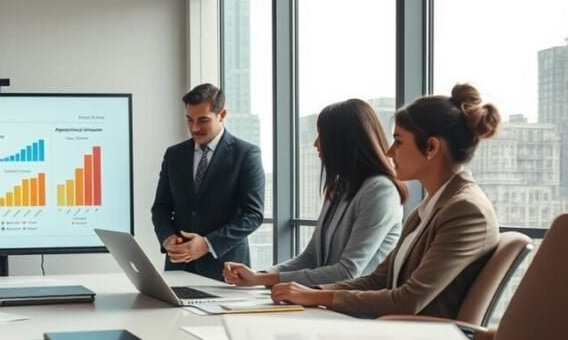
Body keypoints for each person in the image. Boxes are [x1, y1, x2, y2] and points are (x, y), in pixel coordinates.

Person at [271, 84, 501, 319]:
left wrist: (315, 297)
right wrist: (311, 292)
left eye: (399, 141)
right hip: (399, 330)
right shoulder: (432, 207)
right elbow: (380, 279)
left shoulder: (466, 211)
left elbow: (408, 300)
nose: (390, 151)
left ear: (431, 147)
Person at [223, 99, 406, 287]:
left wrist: (262, 279)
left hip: (356, 310)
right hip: (323, 302)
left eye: (321, 136)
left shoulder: (380, 191)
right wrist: (259, 274)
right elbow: (310, 258)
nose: (316, 143)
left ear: (343, 141)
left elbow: (347, 271)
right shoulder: (340, 188)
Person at [151, 83, 265, 280]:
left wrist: (207, 244)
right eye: (189, 120)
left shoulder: (246, 154)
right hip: (179, 269)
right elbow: (161, 207)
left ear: (222, 114)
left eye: (203, 120)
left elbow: (252, 215)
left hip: (225, 270)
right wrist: (167, 238)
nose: (194, 128)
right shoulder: (174, 155)